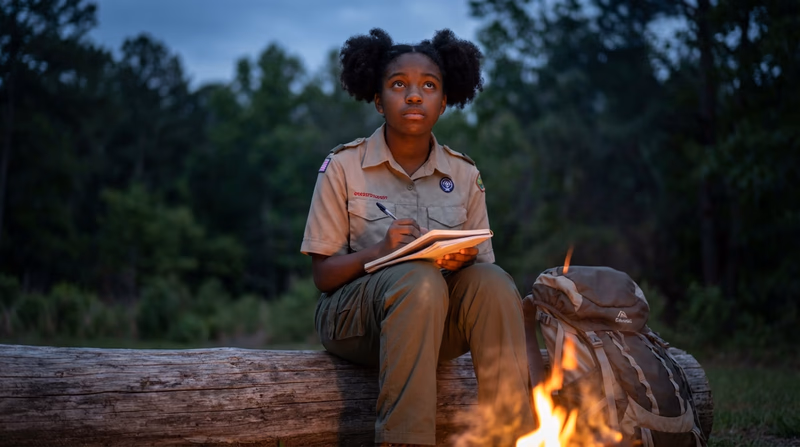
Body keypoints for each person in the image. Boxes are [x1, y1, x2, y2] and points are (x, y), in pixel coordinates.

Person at [300, 28, 541, 447]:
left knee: (496, 282)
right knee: (418, 280)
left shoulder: (464, 174)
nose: (414, 96)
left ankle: (511, 436)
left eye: (429, 86)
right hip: (354, 324)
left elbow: (480, 273)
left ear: (444, 101)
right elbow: (323, 275)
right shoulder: (342, 166)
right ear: (378, 100)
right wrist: (380, 252)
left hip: (434, 319)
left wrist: (458, 261)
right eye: (399, 85)